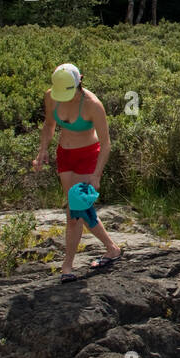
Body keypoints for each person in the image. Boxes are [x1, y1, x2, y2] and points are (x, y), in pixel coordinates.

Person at [32, 63, 122, 282]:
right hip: (65, 155)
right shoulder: (51, 96)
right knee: (80, 207)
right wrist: (43, 150)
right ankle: (112, 248)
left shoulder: (93, 105)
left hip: (88, 156)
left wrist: (96, 175)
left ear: (79, 81)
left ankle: (67, 266)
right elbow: (49, 124)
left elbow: (106, 144)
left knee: (74, 212)